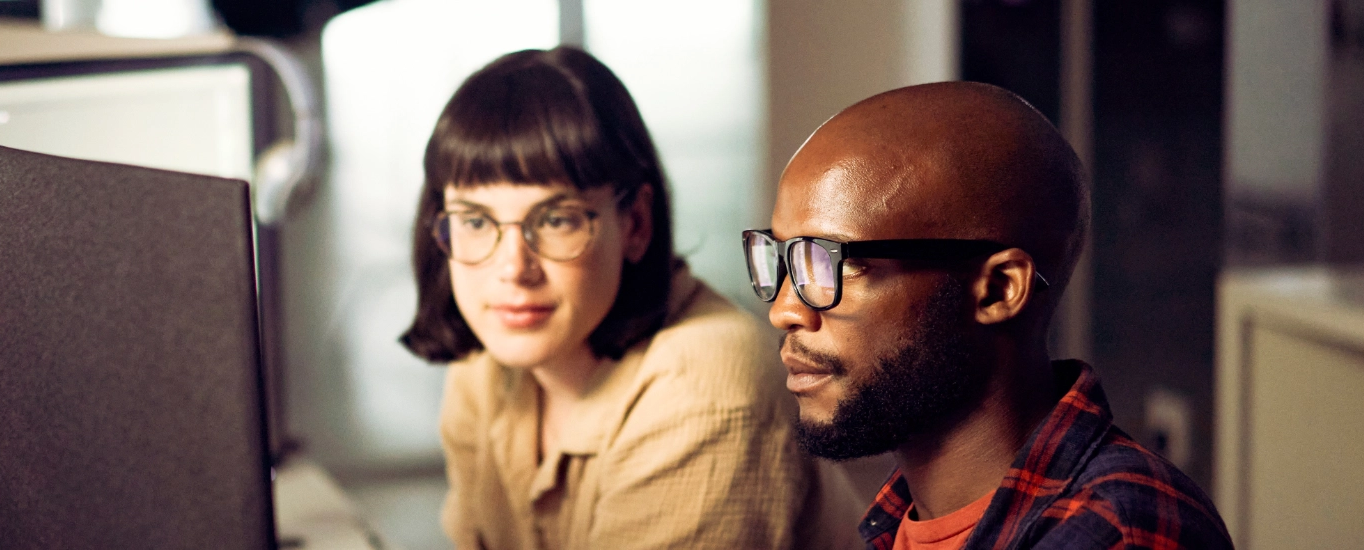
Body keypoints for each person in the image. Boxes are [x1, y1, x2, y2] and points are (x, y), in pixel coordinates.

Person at [402, 46, 859, 549]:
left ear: (635, 223)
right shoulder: (484, 357)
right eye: (474, 221)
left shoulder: (704, 391)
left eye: (556, 219)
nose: (512, 269)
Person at [746, 81, 1233, 549]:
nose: (785, 310)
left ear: (999, 289)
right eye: (785, 259)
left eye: (836, 264)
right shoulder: (903, 515)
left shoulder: (1111, 533)